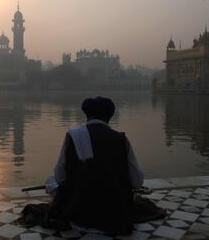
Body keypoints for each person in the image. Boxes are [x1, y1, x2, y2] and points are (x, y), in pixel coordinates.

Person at [45, 96, 164, 235]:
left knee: (51, 181)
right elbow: (137, 182)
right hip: (115, 217)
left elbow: (60, 177)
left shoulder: (72, 136)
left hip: (78, 216)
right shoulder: (121, 139)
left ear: (87, 115)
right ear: (109, 117)